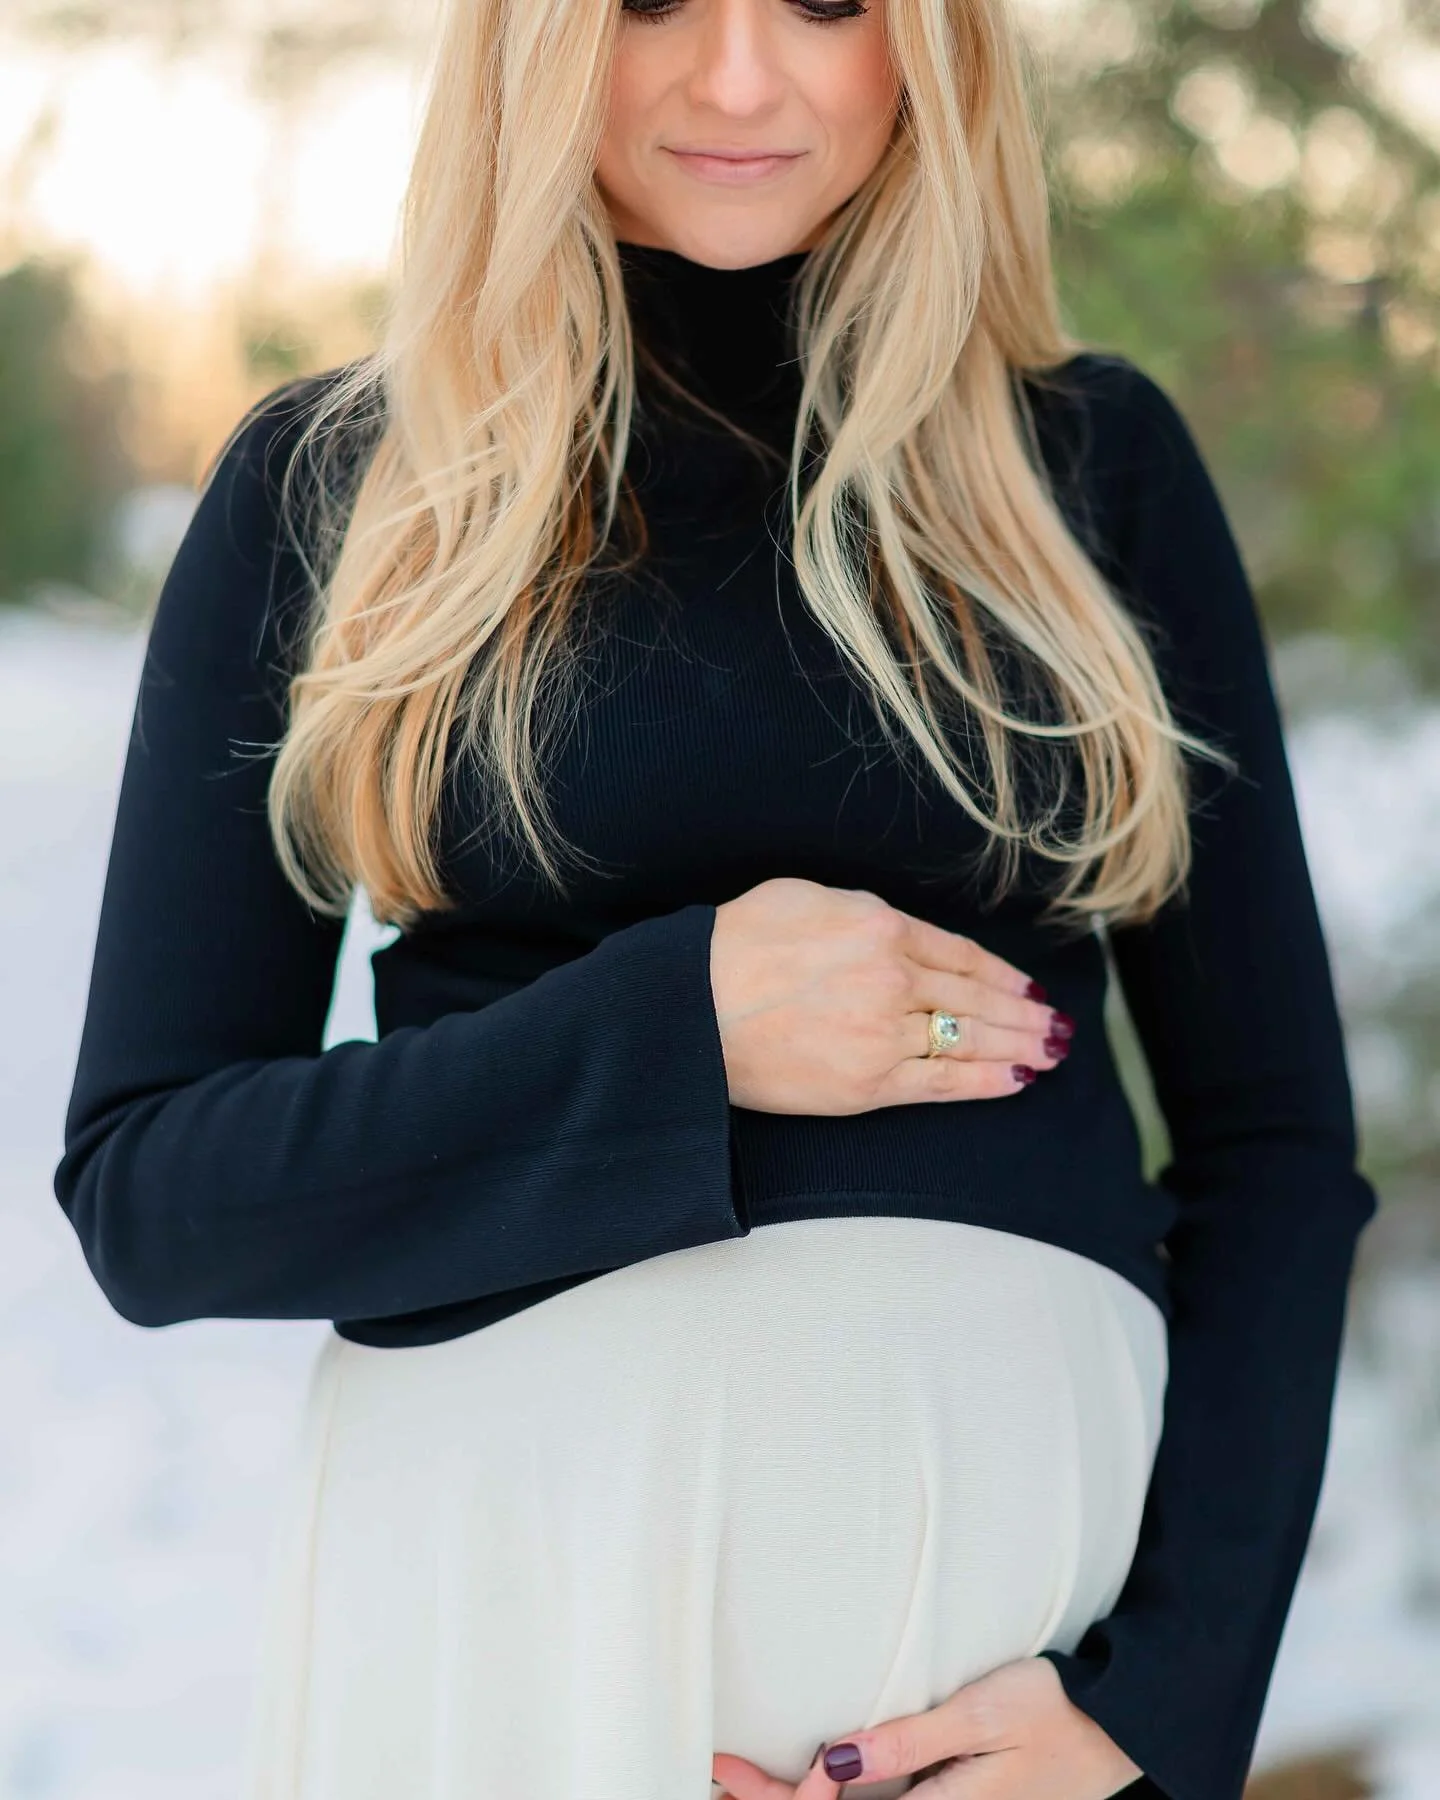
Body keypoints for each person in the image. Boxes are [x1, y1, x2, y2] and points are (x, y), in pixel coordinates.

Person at [54, 0, 1378, 1792]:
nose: (740, 77)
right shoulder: (343, 488)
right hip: (506, 1633)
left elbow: (1277, 1152)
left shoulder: (1087, 467)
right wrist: (669, 1036)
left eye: (829, 3)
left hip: (1002, 1697)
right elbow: (157, 1196)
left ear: (932, 46)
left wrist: (1158, 1719)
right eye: (656, 0)